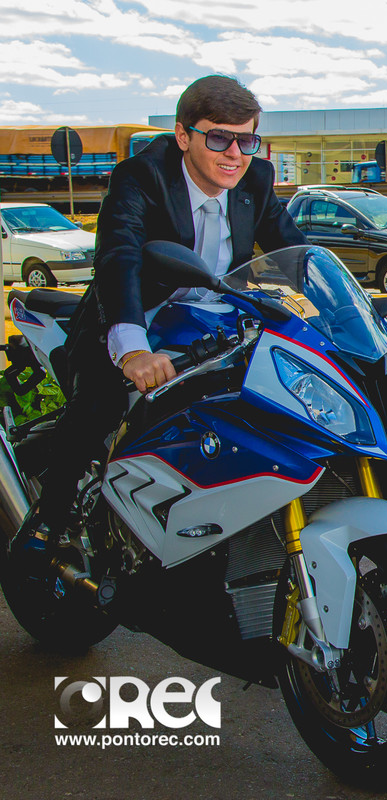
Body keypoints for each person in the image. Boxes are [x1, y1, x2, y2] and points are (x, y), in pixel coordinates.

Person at [16, 74, 306, 553]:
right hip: (133, 312)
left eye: (246, 139)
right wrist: (132, 351)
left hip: (208, 321)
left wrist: (345, 310)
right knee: (100, 405)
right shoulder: (141, 175)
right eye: (219, 137)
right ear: (183, 135)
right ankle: (50, 520)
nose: (235, 152)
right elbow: (119, 258)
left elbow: (293, 251)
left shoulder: (255, 178)